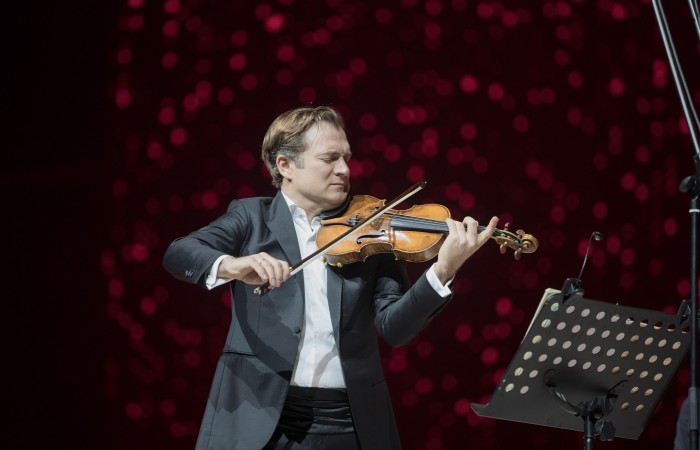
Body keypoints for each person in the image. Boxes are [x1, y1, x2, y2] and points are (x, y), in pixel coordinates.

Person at [162, 105, 499, 450]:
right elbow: (180, 252)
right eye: (330, 158)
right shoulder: (251, 217)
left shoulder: (371, 228)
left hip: (350, 421)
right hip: (258, 416)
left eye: (346, 158)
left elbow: (395, 329)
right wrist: (233, 265)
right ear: (285, 165)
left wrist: (443, 270)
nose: (344, 169)